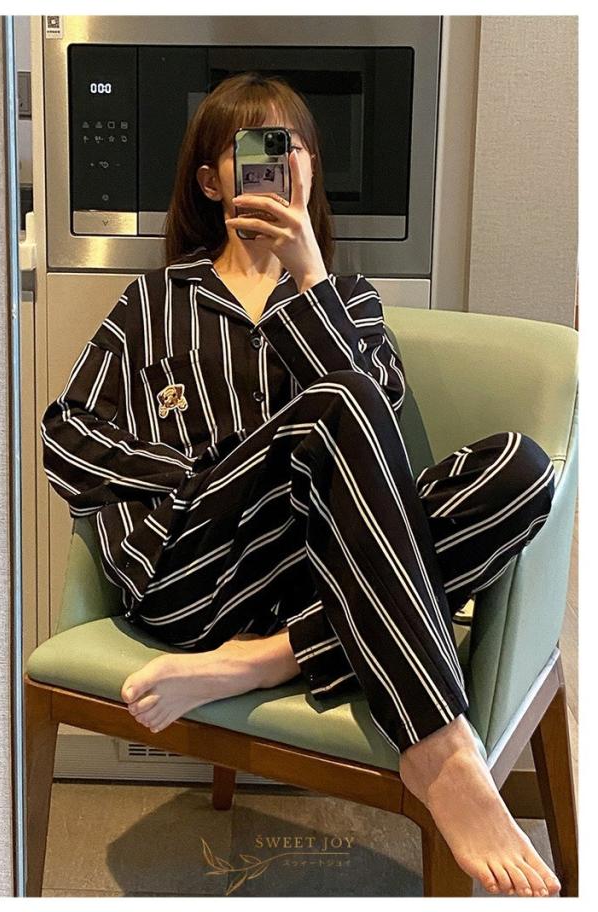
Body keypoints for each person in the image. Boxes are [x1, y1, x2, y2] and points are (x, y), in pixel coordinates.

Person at [41, 72, 561, 897]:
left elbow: (376, 427)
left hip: (305, 575)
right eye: (252, 152)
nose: (274, 167)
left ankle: (267, 659)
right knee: (337, 399)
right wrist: (191, 480)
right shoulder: (153, 302)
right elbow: (65, 434)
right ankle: (436, 745)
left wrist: (311, 276)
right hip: (192, 567)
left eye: (291, 150)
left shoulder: (350, 300)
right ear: (211, 181)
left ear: (313, 171)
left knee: (522, 471)